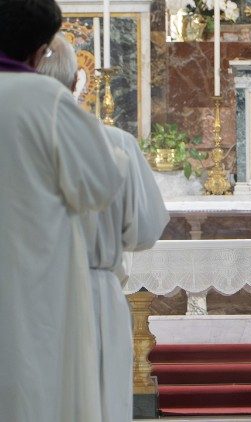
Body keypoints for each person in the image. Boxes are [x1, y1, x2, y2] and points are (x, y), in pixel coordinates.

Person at [0, 1, 128, 420]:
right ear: (40, 51)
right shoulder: (46, 100)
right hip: (37, 276)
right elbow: (100, 184)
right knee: (37, 382)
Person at [37, 33, 170, 422]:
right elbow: (145, 230)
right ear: (75, 80)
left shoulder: (15, 137)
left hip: (32, 287)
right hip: (96, 290)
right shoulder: (118, 143)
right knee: (101, 401)